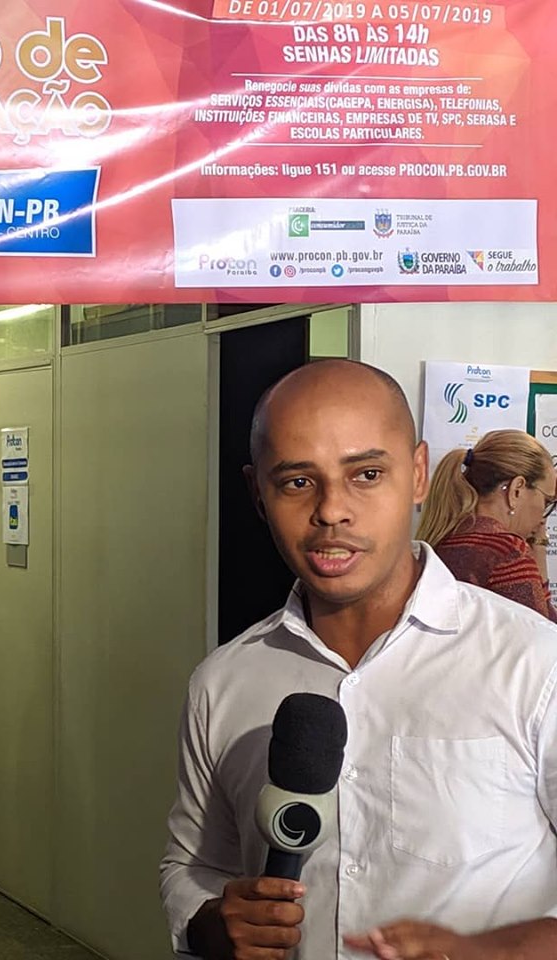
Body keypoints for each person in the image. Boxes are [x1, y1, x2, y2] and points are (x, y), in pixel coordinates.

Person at [160, 359, 557, 960]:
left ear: (418, 474)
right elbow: (194, 864)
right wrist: (210, 922)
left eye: (367, 474)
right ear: (257, 493)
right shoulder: (222, 683)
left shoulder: (535, 664)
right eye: (297, 481)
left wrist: (498, 950)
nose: (331, 511)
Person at [416, 430, 557, 621]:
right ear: (516, 490)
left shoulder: (441, 540)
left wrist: (538, 549)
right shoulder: (508, 552)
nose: (542, 518)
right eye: (546, 501)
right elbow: (544, 632)